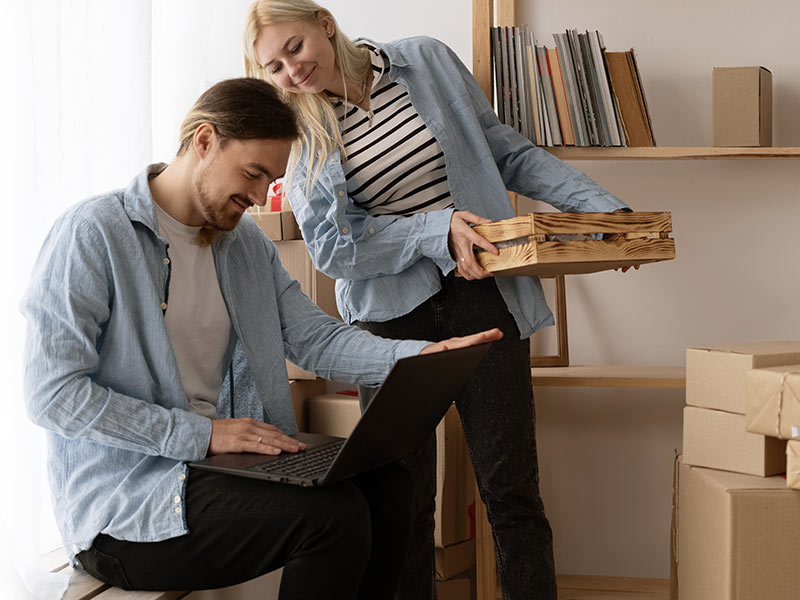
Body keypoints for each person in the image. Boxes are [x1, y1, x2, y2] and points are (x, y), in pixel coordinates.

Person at [21, 77, 500, 600]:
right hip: (127, 504)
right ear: (204, 141)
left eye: (270, 180)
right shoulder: (92, 233)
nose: (257, 197)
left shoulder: (243, 242)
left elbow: (315, 339)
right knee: (332, 519)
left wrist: (421, 357)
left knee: (390, 486)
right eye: (252, 174)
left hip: (217, 471)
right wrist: (202, 435)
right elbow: (53, 394)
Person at [243, 3, 634, 599]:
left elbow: (507, 151)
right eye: (273, 66)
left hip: (485, 296)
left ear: (324, 23)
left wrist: (601, 209)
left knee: (513, 492)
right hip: (387, 322)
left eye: (294, 48)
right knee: (404, 500)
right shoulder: (301, 129)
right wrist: (436, 229)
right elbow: (331, 249)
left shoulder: (424, 59)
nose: (291, 71)